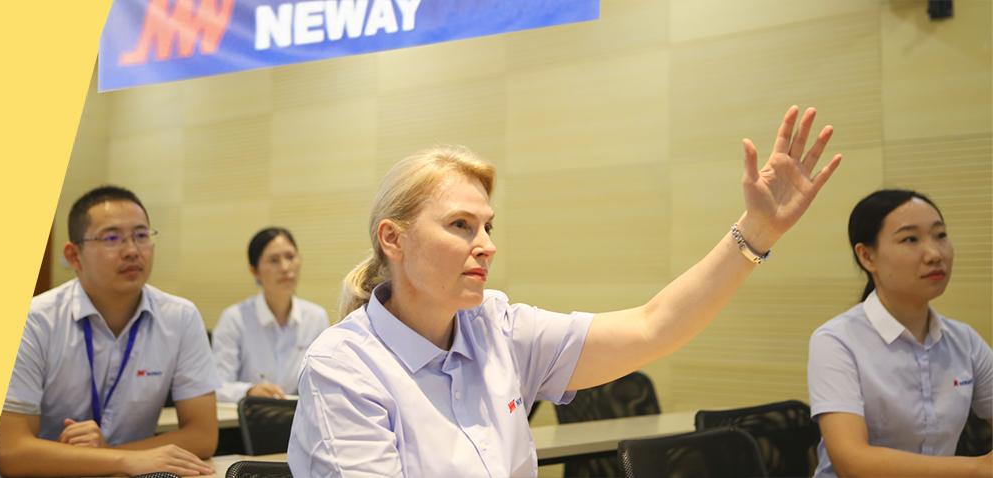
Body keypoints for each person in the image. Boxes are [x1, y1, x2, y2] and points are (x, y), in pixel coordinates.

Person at [288, 106, 844, 477]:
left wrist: (755, 233)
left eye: (488, 227)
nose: (486, 246)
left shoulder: (497, 327)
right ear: (394, 239)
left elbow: (654, 327)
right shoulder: (343, 367)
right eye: (460, 225)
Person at [0, 186, 220, 478]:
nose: (132, 251)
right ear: (74, 256)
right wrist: (121, 459)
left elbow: (202, 434)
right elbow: (13, 453)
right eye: (112, 238)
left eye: (141, 235)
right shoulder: (34, 321)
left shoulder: (181, 317)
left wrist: (109, 455)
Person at [809, 189, 993, 477]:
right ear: (867, 256)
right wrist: (979, 468)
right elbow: (853, 463)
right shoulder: (836, 340)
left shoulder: (964, 340)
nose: (934, 254)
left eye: (940, 235)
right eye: (910, 239)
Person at [213, 227, 329, 405]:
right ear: (254, 271)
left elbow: (322, 382)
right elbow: (217, 386)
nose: (285, 268)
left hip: (296, 416)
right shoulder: (234, 319)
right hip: (249, 417)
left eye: (290, 257)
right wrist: (249, 391)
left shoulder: (316, 318)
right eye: (274, 260)